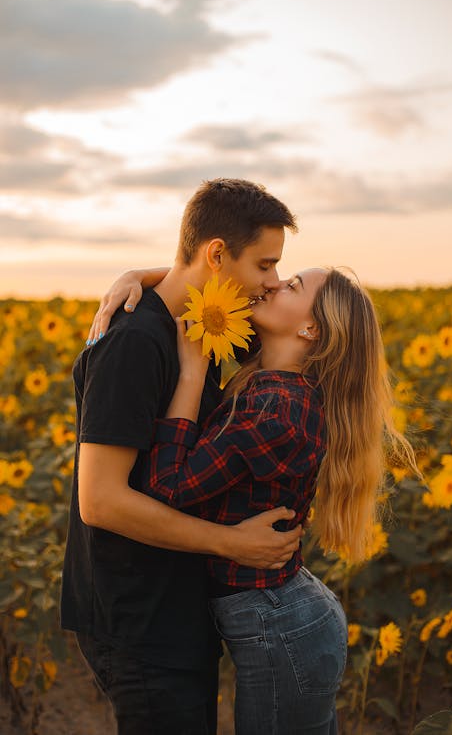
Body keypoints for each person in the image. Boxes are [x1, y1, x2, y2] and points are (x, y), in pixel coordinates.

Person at [128, 266, 418, 734]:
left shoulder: (276, 409)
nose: (275, 283)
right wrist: (136, 277)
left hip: (283, 627)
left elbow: (169, 489)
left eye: (293, 286)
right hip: (284, 616)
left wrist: (192, 370)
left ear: (311, 329)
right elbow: (206, 274)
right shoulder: (266, 376)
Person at [61, 178, 303, 735]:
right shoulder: (135, 344)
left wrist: (143, 276)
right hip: (138, 611)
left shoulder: (206, 321)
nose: (270, 284)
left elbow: (192, 280)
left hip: (172, 599)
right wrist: (233, 543)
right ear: (218, 254)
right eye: (264, 266)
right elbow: (100, 501)